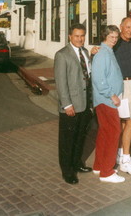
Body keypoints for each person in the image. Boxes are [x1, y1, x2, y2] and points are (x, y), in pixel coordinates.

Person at [54, 23, 93, 185]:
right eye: (76, 36)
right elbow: (61, 83)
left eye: (82, 35)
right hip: (71, 105)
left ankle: (77, 163)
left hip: (84, 104)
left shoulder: (85, 52)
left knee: (80, 137)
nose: (80, 39)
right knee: (67, 140)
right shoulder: (62, 55)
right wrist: (67, 104)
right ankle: (67, 171)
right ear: (70, 37)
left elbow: (88, 77)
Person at [91, 25, 125, 183]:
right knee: (113, 132)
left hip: (106, 100)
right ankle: (107, 172)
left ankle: (99, 166)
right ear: (105, 37)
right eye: (112, 36)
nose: (115, 39)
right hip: (107, 100)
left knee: (105, 133)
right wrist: (112, 95)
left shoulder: (106, 51)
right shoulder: (103, 53)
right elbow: (99, 79)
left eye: (116, 37)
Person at [113, 17, 131, 175]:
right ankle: (125, 160)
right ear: (121, 27)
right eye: (127, 27)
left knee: (126, 122)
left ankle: (121, 154)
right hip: (123, 85)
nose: (130, 30)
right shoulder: (115, 43)